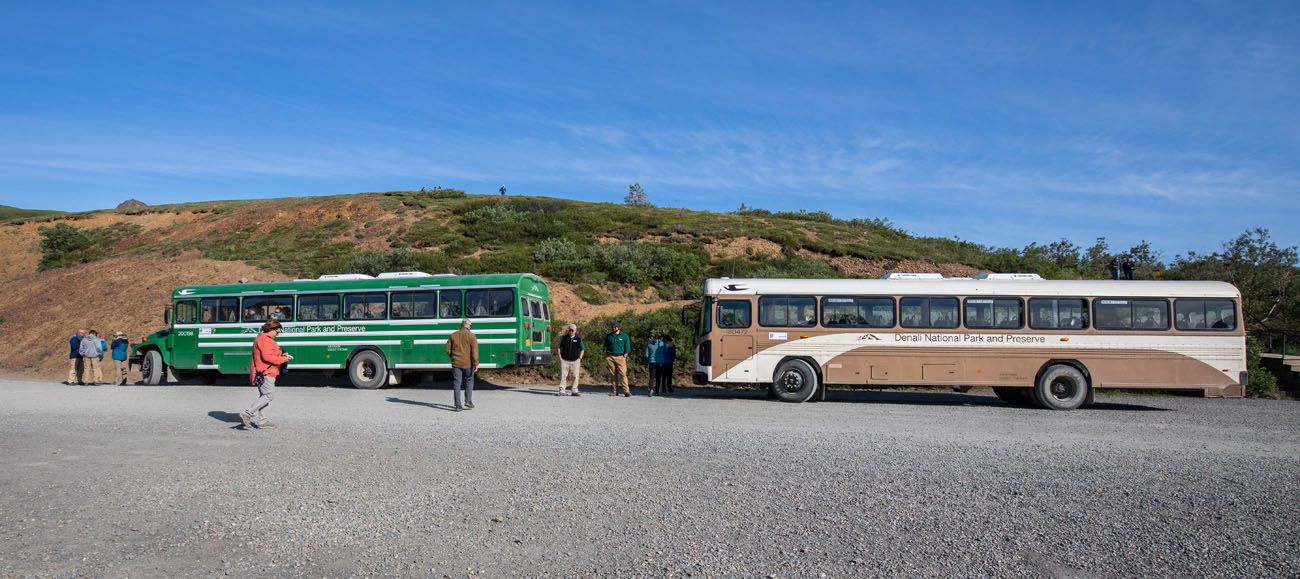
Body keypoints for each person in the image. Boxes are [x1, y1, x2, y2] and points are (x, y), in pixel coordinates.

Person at [240, 320, 293, 429]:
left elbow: (270, 353)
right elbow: (267, 357)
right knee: (268, 395)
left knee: (264, 396)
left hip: (264, 371)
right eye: (277, 332)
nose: (278, 334)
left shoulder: (264, 339)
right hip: (266, 372)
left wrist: (282, 354)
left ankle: (262, 422)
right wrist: (284, 358)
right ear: (270, 329)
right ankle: (247, 414)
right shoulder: (265, 340)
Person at [445, 319, 479, 411]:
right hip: (468, 363)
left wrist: (453, 357)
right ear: (467, 325)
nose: (470, 327)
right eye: (470, 325)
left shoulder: (453, 335)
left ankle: (458, 405)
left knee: (457, 383)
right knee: (469, 381)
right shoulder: (472, 336)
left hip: (456, 363)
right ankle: (468, 401)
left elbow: (447, 349)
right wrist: (476, 363)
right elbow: (474, 352)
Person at [603, 321, 631, 397]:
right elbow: (605, 346)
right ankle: (615, 391)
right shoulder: (609, 336)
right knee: (613, 375)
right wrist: (606, 355)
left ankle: (626, 391)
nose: (613, 328)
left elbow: (627, 346)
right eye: (613, 327)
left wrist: (626, 353)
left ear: (618, 327)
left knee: (623, 374)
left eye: (615, 327)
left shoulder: (624, 336)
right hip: (610, 357)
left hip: (621, 357)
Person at [556, 323, 584, 396]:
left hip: (575, 361)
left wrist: (580, 358)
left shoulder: (578, 339)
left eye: (572, 330)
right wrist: (560, 356)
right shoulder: (564, 338)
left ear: (575, 331)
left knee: (575, 376)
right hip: (565, 360)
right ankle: (562, 390)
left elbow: (582, 349)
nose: (571, 332)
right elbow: (559, 347)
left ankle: (574, 390)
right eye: (570, 330)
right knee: (563, 376)